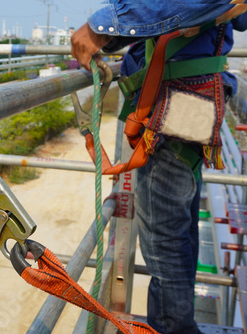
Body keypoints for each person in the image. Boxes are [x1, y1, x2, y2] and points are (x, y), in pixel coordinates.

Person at [71, 3, 247, 334]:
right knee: (178, 232)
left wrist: (102, 25)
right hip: (188, 95)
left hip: (176, 97)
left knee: (166, 242)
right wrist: (112, 37)